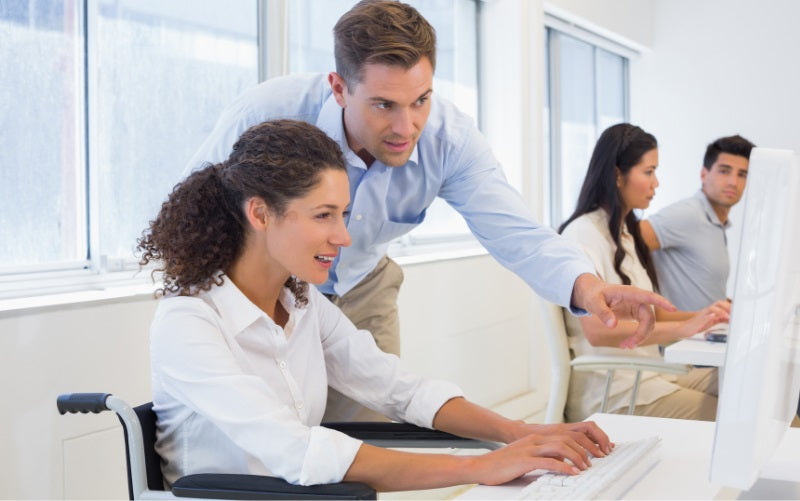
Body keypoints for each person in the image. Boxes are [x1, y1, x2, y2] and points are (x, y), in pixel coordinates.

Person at [184, 0, 674, 421]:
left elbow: (516, 231)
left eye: (420, 100)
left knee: (368, 439)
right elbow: (194, 212)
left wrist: (589, 288)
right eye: (383, 105)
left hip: (361, 285)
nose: (406, 126)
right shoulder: (269, 112)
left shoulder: (449, 139)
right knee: (274, 442)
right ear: (339, 88)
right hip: (262, 290)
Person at [137, 119, 616, 492]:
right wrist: (481, 467)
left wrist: (519, 433)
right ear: (260, 213)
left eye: (342, 215)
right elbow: (298, 452)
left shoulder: (302, 306)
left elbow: (398, 388)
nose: (343, 237)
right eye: (324, 215)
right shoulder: (189, 322)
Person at [558, 123, 730, 423]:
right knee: (740, 419)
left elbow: (652, 316)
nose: (656, 183)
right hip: (618, 392)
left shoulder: (625, 234)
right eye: (648, 172)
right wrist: (684, 329)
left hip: (651, 377)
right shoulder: (583, 234)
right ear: (616, 175)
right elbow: (597, 331)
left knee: (748, 391)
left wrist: (706, 316)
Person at [639, 135, 755, 311]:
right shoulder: (688, 213)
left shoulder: (716, 222)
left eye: (742, 174)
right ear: (704, 174)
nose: (733, 182)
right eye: (724, 171)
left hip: (708, 335)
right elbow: (625, 243)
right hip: (681, 337)